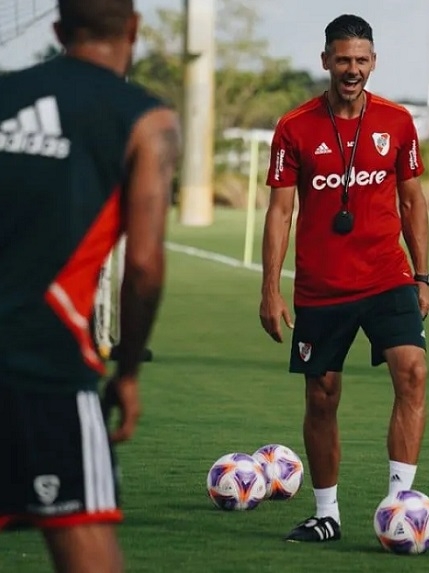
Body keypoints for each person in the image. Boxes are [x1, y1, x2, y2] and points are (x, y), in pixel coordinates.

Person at [0, 1, 180, 571]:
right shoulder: (148, 121)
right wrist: (127, 371)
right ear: (134, 28)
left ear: (57, 29)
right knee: (84, 539)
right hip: (46, 361)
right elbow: (143, 266)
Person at [259, 14, 429, 543]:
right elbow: (280, 212)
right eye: (342, 60)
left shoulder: (397, 121)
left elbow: (412, 201)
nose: (351, 69)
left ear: (373, 62)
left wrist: (423, 275)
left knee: (413, 372)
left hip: (387, 276)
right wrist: (270, 288)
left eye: (360, 60)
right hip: (322, 286)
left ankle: (400, 504)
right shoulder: (294, 127)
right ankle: (327, 514)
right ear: (326, 62)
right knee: (322, 395)